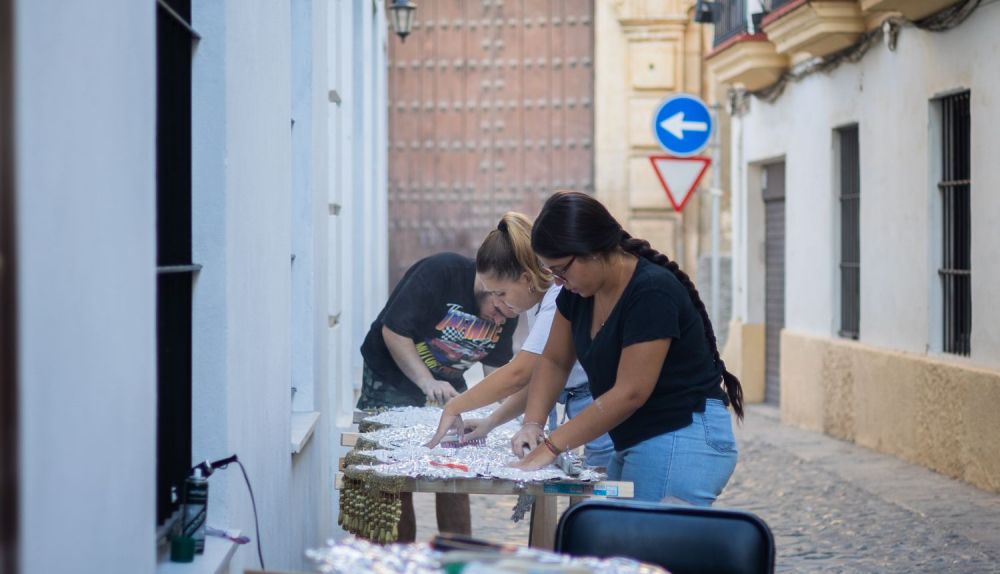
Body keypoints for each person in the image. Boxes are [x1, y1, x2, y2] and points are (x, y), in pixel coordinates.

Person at [510, 191, 744, 505]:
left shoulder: (651, 291)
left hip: (682, 434)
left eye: (560, 269)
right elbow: (553, 360)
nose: (557, 281)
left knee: (642, 546)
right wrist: (533, 423)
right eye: (551, 272)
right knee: (611, 538)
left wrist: (551, 446)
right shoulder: (577, 294)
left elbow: (631, 392)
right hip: (641, 436)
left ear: (592, 250)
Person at [424, 213, 613, 468]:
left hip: (598, 399)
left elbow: (519, 374)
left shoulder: (557, 298)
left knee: (605, 485)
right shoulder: (536, 303)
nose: (497, 303)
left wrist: (455, 406)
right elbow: (537, 380)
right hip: (575, 399)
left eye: (500, 293)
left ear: (525, 279)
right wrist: (490, 422)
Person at [357, 251, 519, 541]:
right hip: (391, 374)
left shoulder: (507, 310)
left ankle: (454, 558)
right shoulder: (440, 273)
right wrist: (425, 380)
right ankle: (403, 558)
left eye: (506, 315)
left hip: (447, 383)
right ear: (488, 285)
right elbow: (393, 332)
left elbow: (497, 376)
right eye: (497, 309)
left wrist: (516, 415)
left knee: (455, 471)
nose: (498, 319)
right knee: (397, 476)